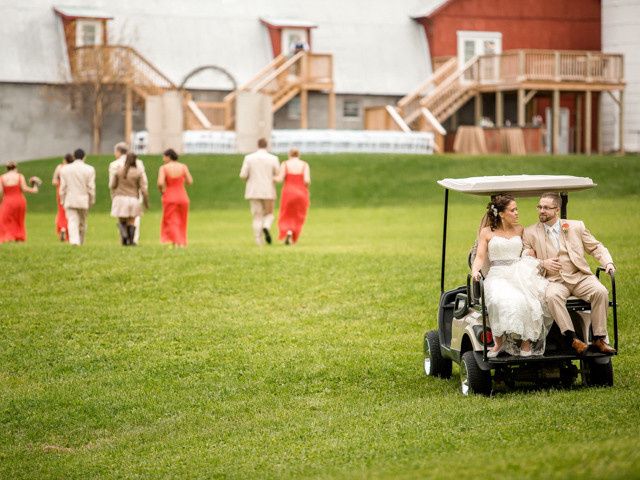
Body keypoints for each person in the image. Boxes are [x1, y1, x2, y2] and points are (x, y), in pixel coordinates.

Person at [523, 192, 617, 355]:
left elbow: (595, 247)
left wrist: (608, 262)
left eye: (546, 207)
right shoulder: (530, 232)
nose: (541, 211)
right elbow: (524, 259)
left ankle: (599, 338)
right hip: (554, 280)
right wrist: (542, 263)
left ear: (557, 210)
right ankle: (572, 339)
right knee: (552, 297)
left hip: (580, 276)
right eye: (539, 207)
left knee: (600, 291)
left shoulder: (576, 226)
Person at [471, 194, 551, 357]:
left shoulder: (520, 229)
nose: (517, 213)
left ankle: (526, 343)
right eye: (513, 210)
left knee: (526, 299)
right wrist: (475, 271)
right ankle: (498, 342)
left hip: (519, 271)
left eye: (517, 209)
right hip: (498, 274)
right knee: (498, 299)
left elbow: (525, 249)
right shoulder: (487, 232)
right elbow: (480, 256)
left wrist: (529, 252)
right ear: (501, 213)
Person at [239, 138, 280, 245]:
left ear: (257, 145)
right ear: (267, 145)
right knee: (269, 214)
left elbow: (243, 175)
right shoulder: (273, 158)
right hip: (268, 190)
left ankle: (258, 240)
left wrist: (249, 179)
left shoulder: (249, 158)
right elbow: (277, 174)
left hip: (253, 190)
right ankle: (266, 226)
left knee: (257, 216)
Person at [109, 142, 148, 245]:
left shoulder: (117, 169)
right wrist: (145, 200)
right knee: (132, 220)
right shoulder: (138, 170)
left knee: (122, 219)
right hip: (134, 198)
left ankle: (124, 236)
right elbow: (143, 185)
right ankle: (132, 240)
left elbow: (112, 185)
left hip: (120, 197)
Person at [59, 148, 96, 246]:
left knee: (72, 221)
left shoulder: (65, 169)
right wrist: (92, 200)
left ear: (74, 156)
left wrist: (62, 199)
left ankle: (74, 241)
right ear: (84, 157)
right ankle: (80, 241)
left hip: (70, 199)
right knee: (82, 223)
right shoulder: (89, 169)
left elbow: (63, 187)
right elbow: (91, 187)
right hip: (83, 200)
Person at [275, 148, 310, 245]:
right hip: (301, 192)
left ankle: (288, 231)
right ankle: (293, 232)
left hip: (288, 192)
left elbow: (280, 179)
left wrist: (272, 178)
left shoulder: (285, 164)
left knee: (286, 214)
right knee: (298, 215)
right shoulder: (304, 164)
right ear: (299, 155)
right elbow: (307, 180)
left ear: (289, 155)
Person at [158, 148, 192, 247]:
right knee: (182, 219)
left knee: (171, 220)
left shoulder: (164, 168)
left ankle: (176, 242)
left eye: (164, 157)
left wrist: (162, 191)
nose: (163, 159)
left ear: (168, 156)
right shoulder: (183, 167)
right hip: (182, 196)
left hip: (169, 195)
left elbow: (160, 183)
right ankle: (181, 241)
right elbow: (189, 181)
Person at [0, 161, 39, 243]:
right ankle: (19, 236)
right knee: (19, 219)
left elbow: (1, 191)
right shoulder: (19, 176)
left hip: (7, 201)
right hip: (19, 200)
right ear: (15, 168)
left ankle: (8, 236)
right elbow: (24, 188)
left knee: (5, 219)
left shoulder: (2, 177)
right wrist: (34, 188)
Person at [52, 153, 72, 241]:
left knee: (61, 210)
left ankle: (62, 228)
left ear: (64, 160)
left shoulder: (60, 167)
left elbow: (54, 181)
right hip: (70, 191)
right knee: (70, 211)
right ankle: (68, 231)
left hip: (60, 191)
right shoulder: (72, 168)